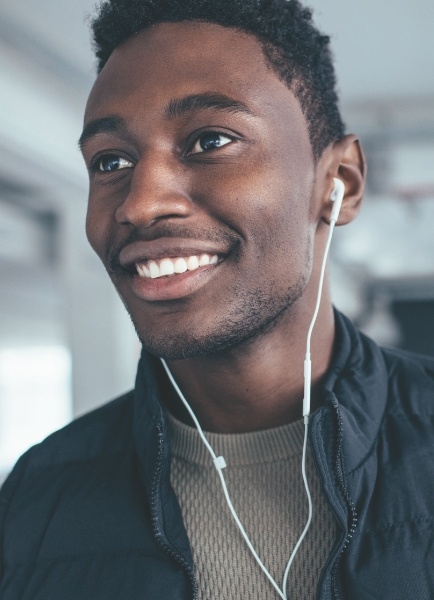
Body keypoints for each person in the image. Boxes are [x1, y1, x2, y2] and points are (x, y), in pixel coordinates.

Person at [1, 0, 433, 598]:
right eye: (112, 161)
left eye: (209, 140)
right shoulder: (33, 502)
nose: (140, 203)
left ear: (339, 185)